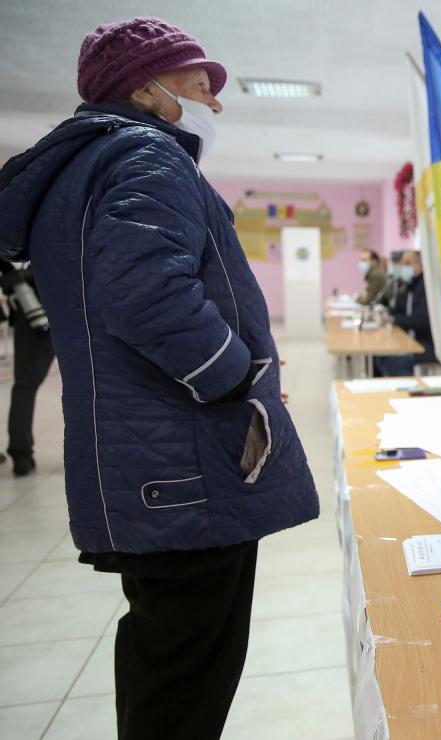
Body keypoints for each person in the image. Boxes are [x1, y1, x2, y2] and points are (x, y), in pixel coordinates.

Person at [0, 17, 319, 740]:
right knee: (187, 677)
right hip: (184, 471)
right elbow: (143, 289)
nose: (216, 101)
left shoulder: (91, 165)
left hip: (146, 461)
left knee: (164, 658)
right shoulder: (147, 158)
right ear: (142, 88)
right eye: (198, 82)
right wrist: (234, 377)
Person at [0, 260, 55, 476]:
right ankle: (21, 454)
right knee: (88, 386)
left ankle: (21, 454)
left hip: (31, 310)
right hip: (47, 310)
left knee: (24, 386)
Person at [374, 249, 437, 376]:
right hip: (409, 339)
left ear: (420, 266)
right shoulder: (409, 286)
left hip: (426, 345)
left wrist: (393, 320)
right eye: (402, 264)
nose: (402, 268)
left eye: (407, 264)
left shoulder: (426, 287)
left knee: (395, 362)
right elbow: (398, 309)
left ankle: (404, 393)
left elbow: (421, 320)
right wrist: (385, 313)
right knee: (379, 355)